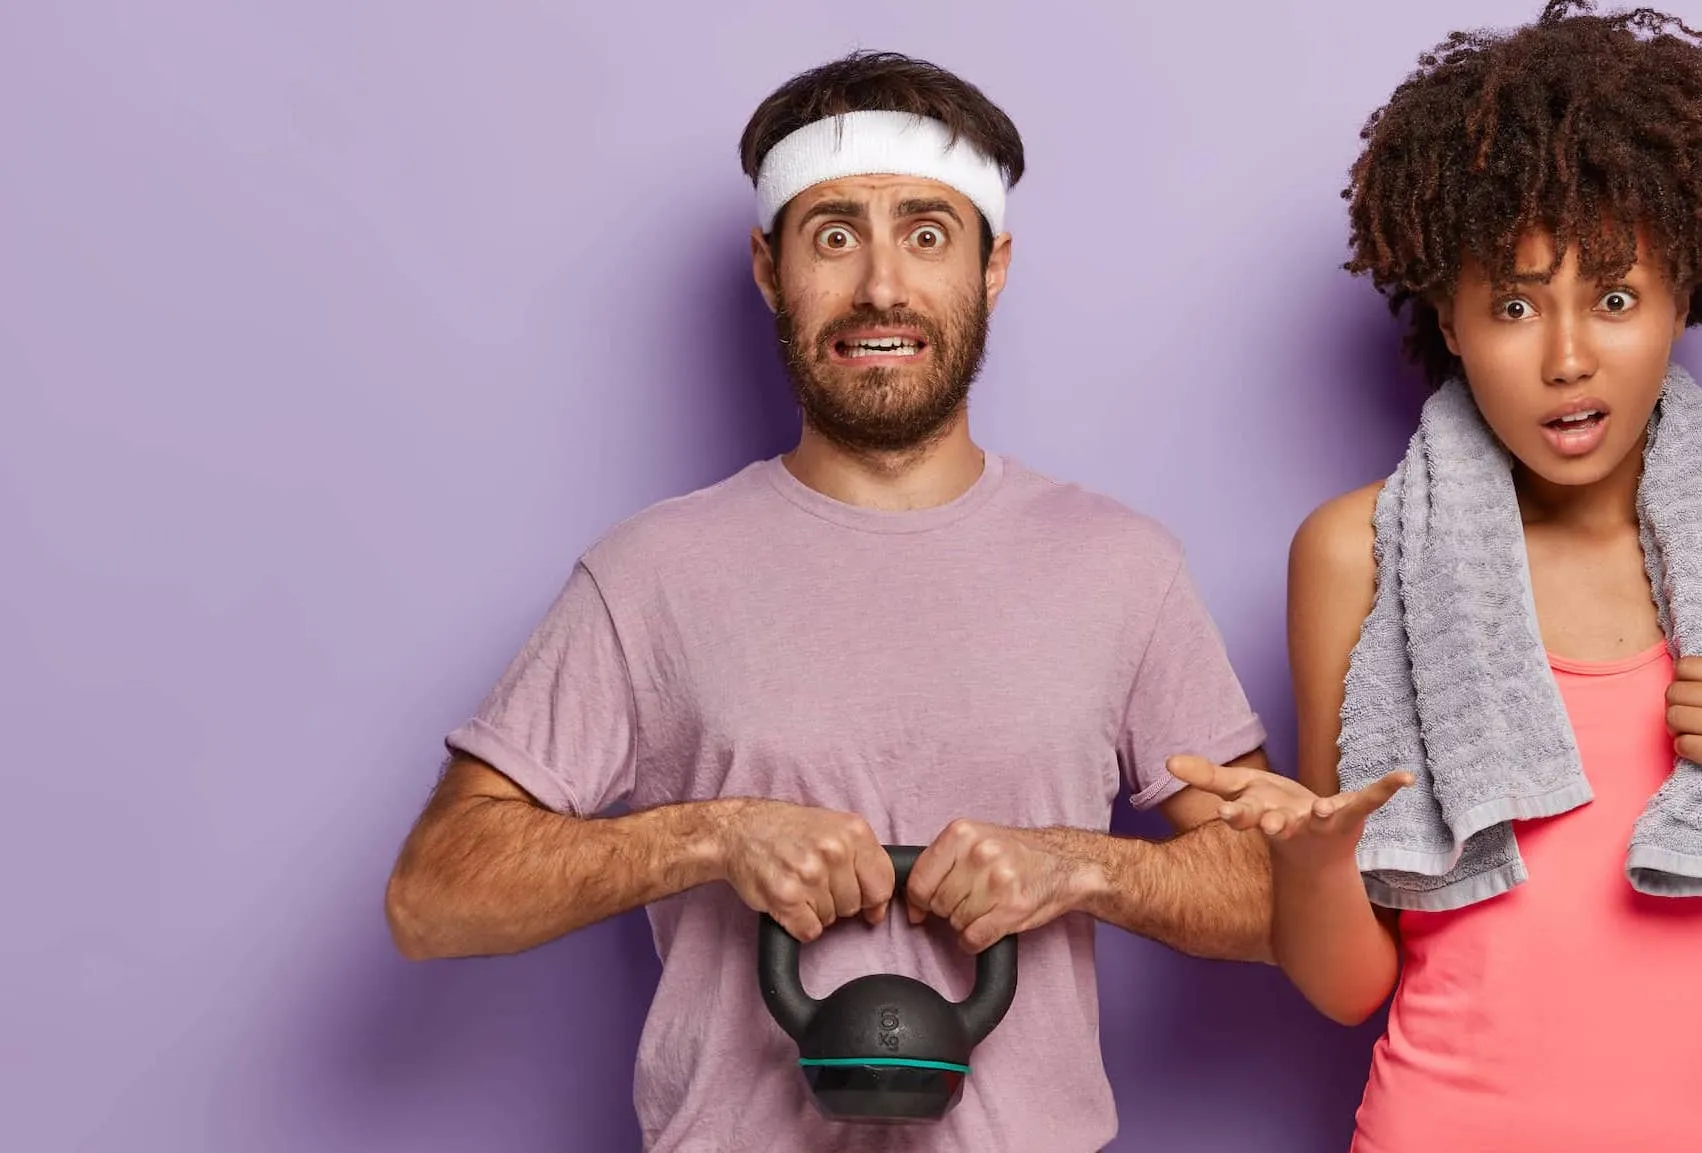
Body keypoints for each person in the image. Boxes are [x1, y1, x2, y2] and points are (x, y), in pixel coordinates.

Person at [382, 50, 1275, 1153]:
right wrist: (708, 836)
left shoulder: (1121, 566)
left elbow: (1277, 898)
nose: (882, 288)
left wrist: (1080, 865)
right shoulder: (652, 570)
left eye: (927, 234)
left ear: (993, 266)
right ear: (770, 267)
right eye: (835, 235)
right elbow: (431, 899)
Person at [1169, 4, 1702, 1150]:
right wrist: (1312, 861)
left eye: (1614, 298)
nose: (1566, 358)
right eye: (1513, 305)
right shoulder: (1359, 553)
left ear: (1679, 299)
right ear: (1451, 319)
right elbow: (1345, 988)